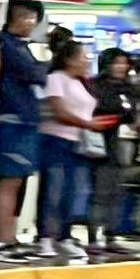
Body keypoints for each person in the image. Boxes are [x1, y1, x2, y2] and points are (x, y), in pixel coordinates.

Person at [38, 40, 110, 261]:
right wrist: (88, 124)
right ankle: (45, 236)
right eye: (83, 57)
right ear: (69, 59)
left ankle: (64, 235)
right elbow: (59, 111)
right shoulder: (56, 79)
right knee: (53, 189)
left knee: (72, 191)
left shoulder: (82, 83)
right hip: (56, 140)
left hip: (78, 143)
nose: (87, 61)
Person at [0, 0, 48, 261]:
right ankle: (2, 238)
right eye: (28, 17)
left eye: (34, 18)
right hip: (12, 120)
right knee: (9, 181)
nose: (31, 23)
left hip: (25, 121)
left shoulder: (21, 46)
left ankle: (10, 236)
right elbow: (35, 74)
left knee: (19, 181)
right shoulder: (6, 45)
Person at [90, 47, 140, 255]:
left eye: (124, 62)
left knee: (117, 191)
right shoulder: (95, 86)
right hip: (99, 143)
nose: (121, 67)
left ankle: (111, 234)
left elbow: (135, 114)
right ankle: (93, 236)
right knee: (100, 192)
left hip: (121, 144)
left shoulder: (129, 88)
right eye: (116, 62)